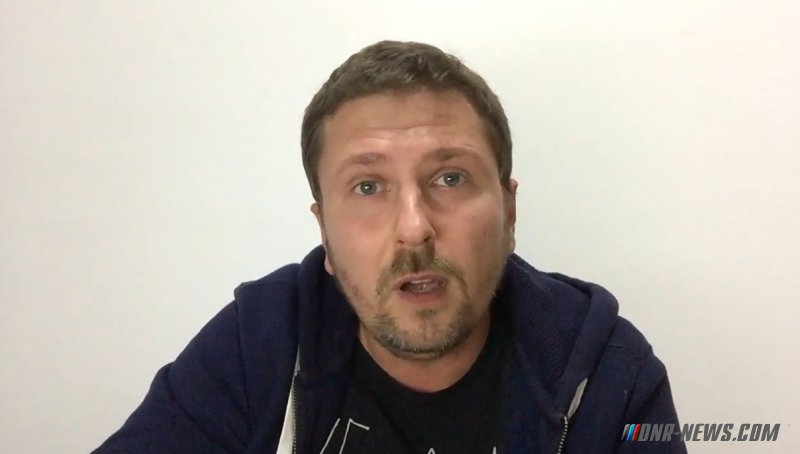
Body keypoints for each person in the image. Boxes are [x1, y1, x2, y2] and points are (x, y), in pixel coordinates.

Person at [94, 40, 685, 453]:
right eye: (368, 186)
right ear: (325, 234)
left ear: (509, 214)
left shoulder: (607, 374)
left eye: (449, 177)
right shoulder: (260, 346)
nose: (413, 227)